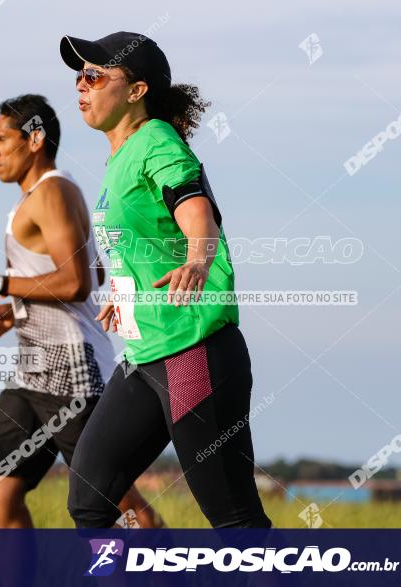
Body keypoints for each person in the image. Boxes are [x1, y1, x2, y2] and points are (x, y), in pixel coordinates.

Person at [59, 32, 272, 528]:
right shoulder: (122, 157)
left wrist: (199, 259)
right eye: (78, 76)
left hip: (191, 352)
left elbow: (194, 208)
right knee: (90, 497)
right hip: (144, 355)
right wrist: (122, 294)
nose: (81, 85)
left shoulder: (157, 141)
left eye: (94, 75)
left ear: (136, 90)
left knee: (235, 519)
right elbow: (145, 244)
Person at [0, 94, 162, 528]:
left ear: (34, 139)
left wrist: (0, 283)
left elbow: (75, 281)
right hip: (32, 368)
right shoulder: (46, 193)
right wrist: (15, 306)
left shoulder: (52, 193)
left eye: (1, 139)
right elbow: (91, 277)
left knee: (112, 498)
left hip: (70, 368)